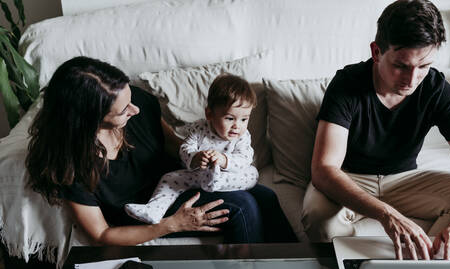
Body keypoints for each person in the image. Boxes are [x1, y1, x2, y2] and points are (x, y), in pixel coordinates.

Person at [26, 56, 297, 245]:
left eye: (130, 99)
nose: (136, 110)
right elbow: (100, 235)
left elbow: (173, 144)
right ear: (89, 120)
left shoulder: (138, 103)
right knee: (242, 206)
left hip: (175, 183)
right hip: (144, 211)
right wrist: (172, 225)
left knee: (264, 196)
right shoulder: (73, 165)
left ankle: (299, 265)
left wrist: (208, 161)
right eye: (123, 110)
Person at [304, 0, 450, 260]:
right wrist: (388, 215)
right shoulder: (347, 84)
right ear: (376, 52)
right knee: (319, 219)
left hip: (405, 179)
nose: (412, 79)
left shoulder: (436, 90)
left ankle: (432, 268)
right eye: (401, 65)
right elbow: (324, 169)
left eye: (424, 66)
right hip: (350, 177)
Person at [124, 74, 259, 224]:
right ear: (209, 114)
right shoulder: (199, 128)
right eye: (230, 118)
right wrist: (195, 157)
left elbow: (245, 157)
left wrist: (224, 160)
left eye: (244, 119)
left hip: (229, 177)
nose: (237, 126)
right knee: (169, 178)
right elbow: (185, 148)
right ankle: (154, 210)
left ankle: (217, 181)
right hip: (200, 176)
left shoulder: (242, 136)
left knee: (252, 174)